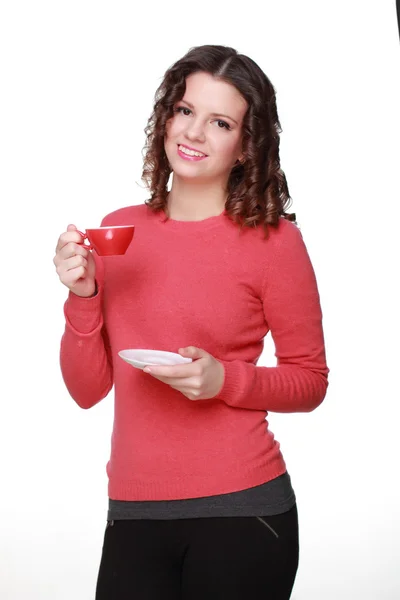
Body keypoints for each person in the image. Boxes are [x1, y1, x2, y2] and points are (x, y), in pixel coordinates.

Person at [54, 44, 329, 599]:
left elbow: (311, 381)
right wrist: (82, 296)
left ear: (247, 146)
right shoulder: (118, 231)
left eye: (220, 121)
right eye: (185, 111)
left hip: (244, 512)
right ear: (166, 119)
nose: (194, 133)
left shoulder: (275, 242)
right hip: (133, 509)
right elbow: (87, 391)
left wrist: (224, 380)